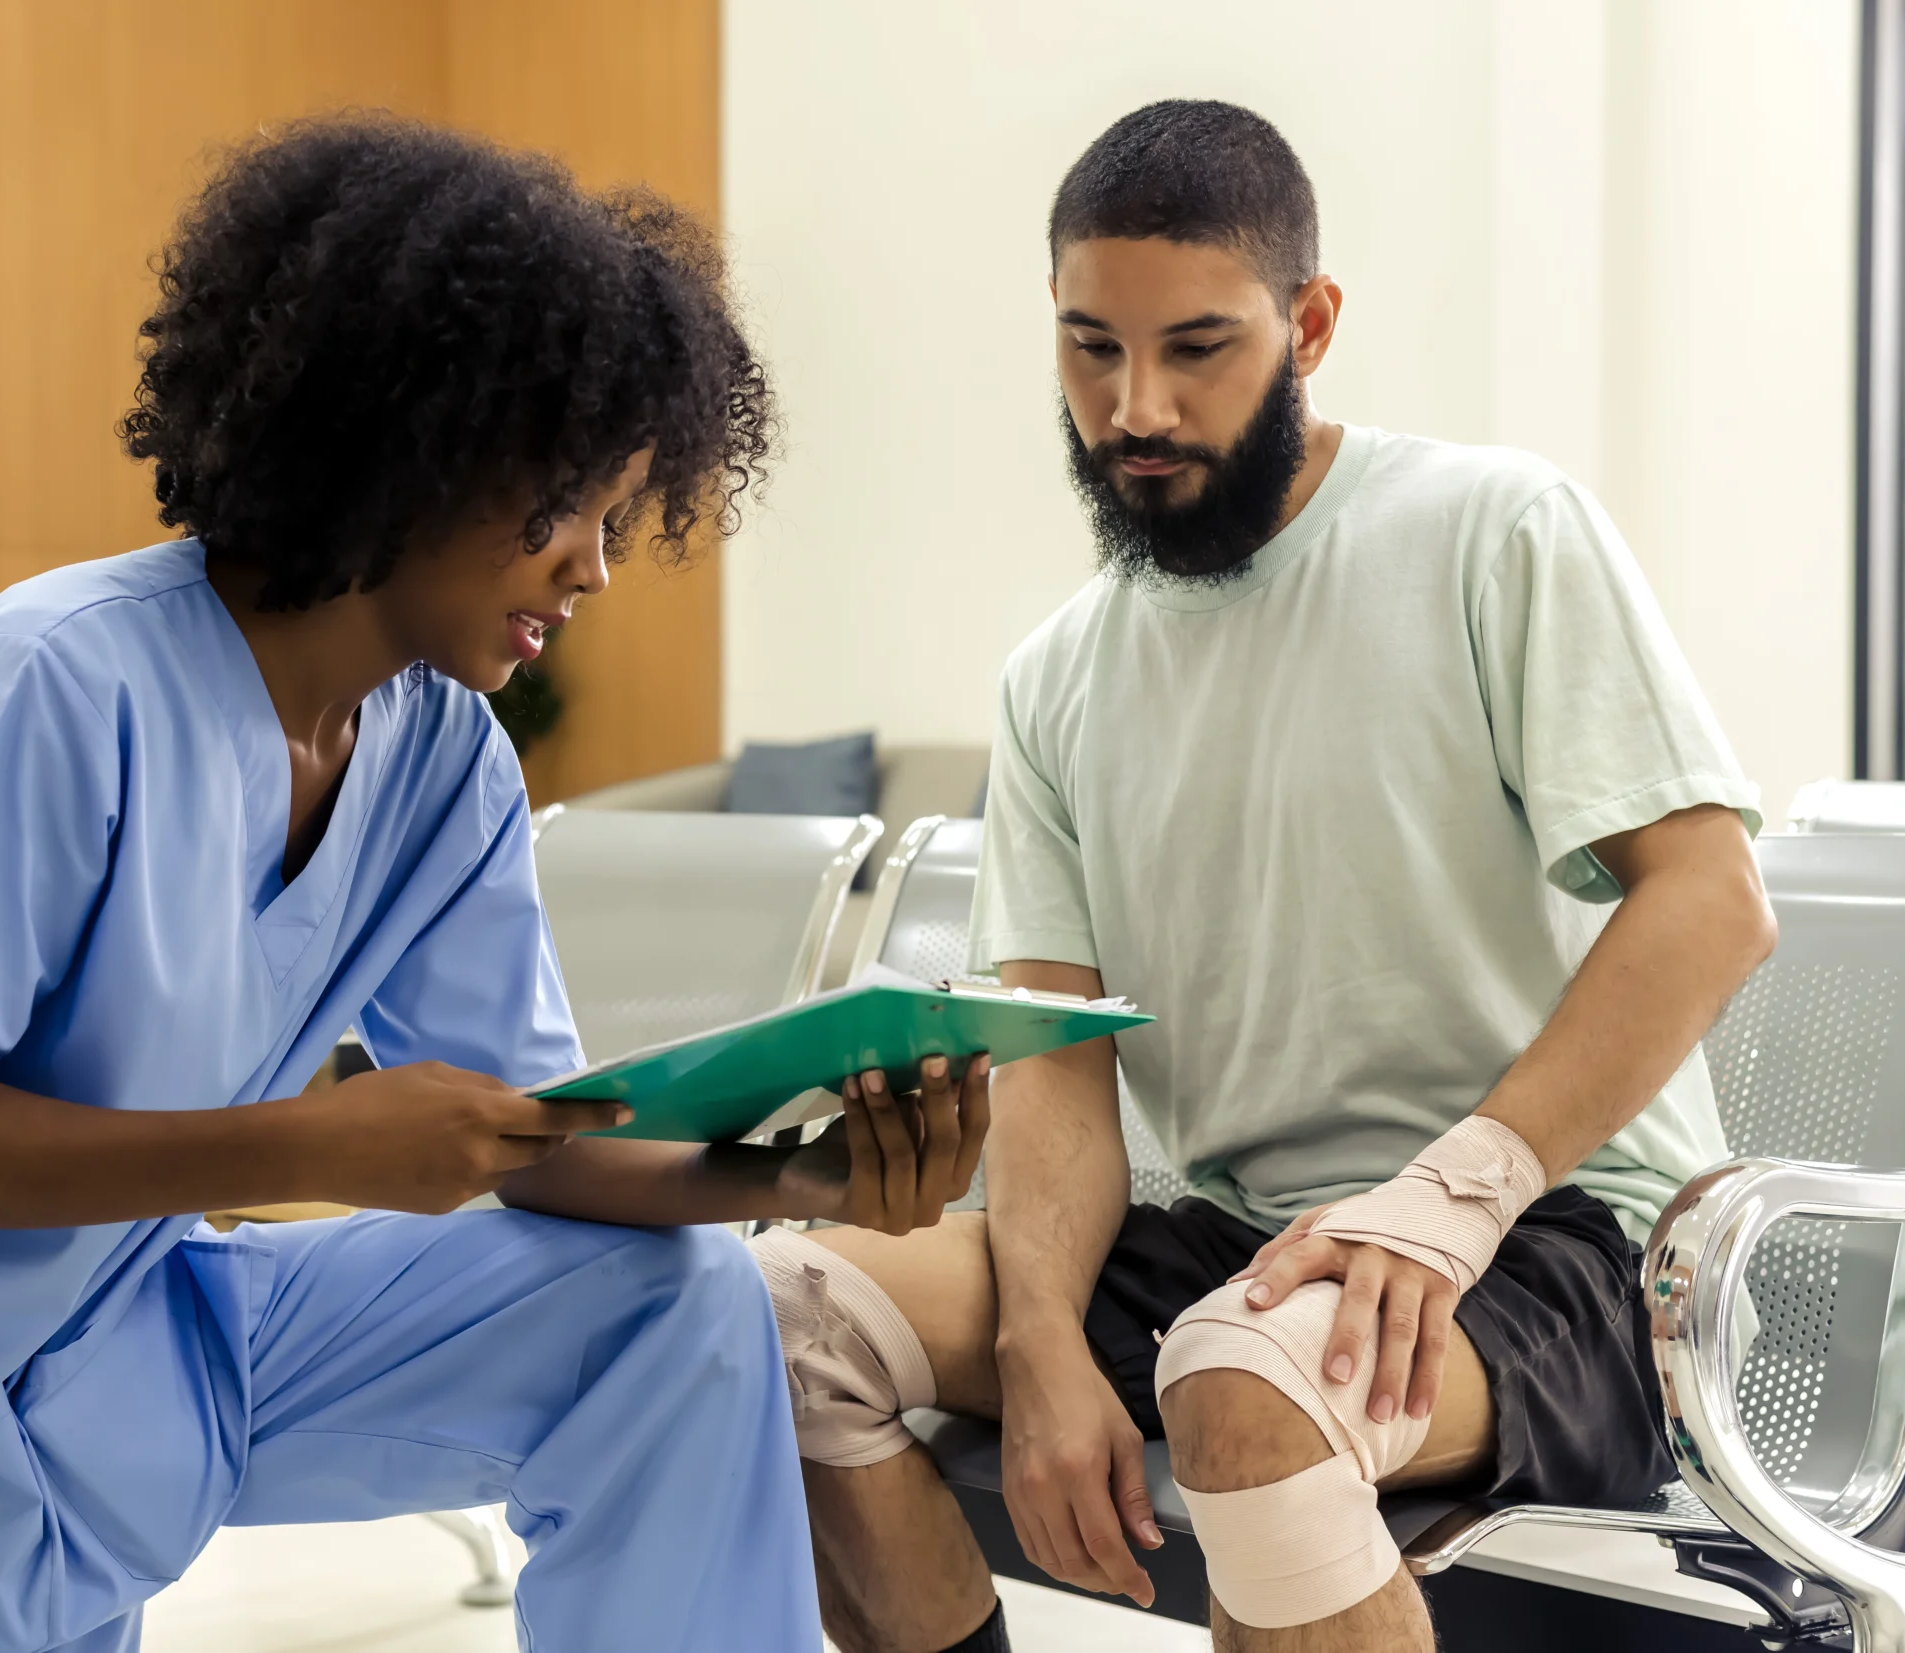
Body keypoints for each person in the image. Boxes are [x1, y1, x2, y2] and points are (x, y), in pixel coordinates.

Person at [0, 118, 988, 1653]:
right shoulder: (55, 680)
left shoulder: (443, 757)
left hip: (127, 1347)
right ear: (424, 444)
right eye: (571, 507)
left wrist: (799, 1183)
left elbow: (529, 1144)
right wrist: (312, 1139)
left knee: (670, 1311)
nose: (596, 567)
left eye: (618, 518)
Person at [747, 99, 1776, 1653]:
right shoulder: (1056, 678)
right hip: (1246, 1243)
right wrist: (1036, 1342)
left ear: (1310, 324)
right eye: (1091, 348)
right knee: (784, 1316)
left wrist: (1450, 1200)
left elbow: (1711, 900)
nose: (1134, 404)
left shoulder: (1495, 529)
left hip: (1563, 1244)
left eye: (1197, 349)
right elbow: (1056, 1070)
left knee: (1247, 1381)